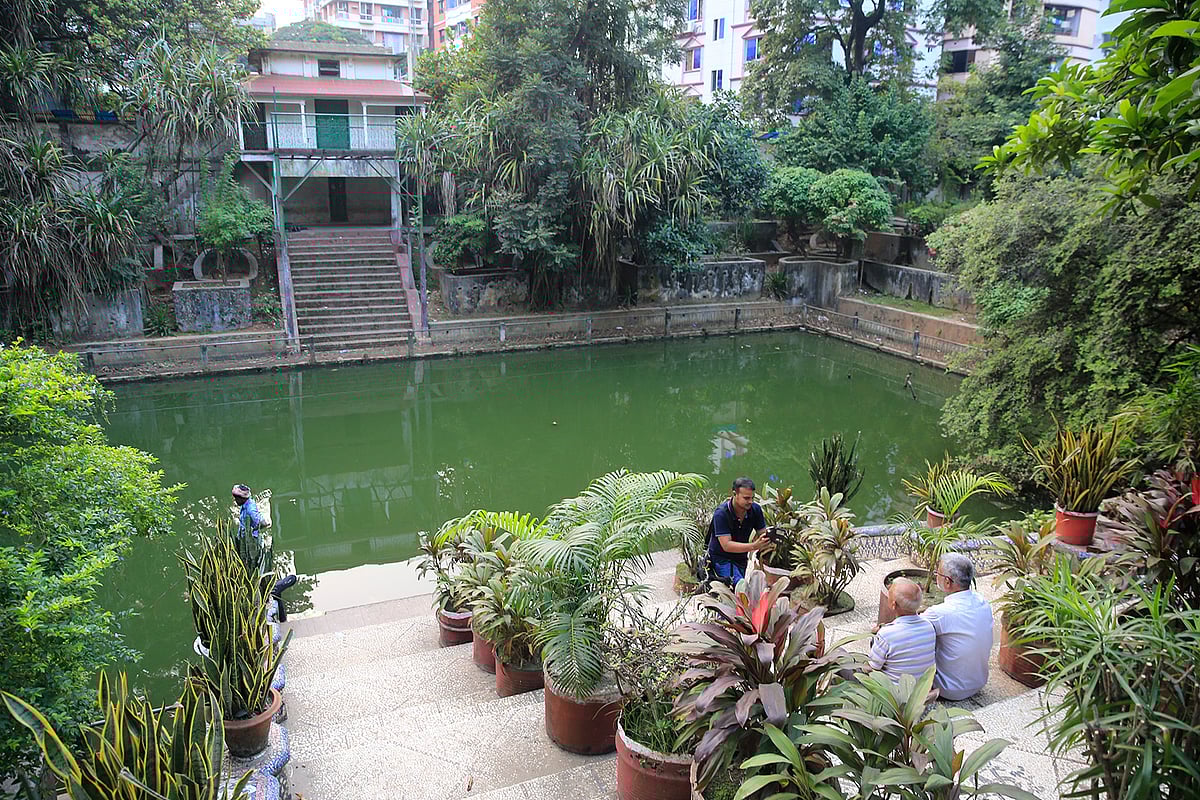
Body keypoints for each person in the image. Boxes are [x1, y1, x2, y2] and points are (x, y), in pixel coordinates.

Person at [921, 553, 993, 701]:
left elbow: (910, 626)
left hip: (949, 689)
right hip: (978, 682)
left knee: (912, 638)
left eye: (938, 573)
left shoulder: (940, 613)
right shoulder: (982, 602)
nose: (936, 576)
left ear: (948, 582)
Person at [869, 579, 937, 683]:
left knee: (841, 656)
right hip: (920, 693)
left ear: (893, 604)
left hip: (893, 695)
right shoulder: (929, 627)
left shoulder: (886, 635)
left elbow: (873, 667)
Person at [708, 477, 772, 585]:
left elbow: (762, 533)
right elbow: (726, 545)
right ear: (735, 494)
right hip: (722, 559)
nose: (750, 501)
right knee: (739, 585)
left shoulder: (755, 510)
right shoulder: (721, 514)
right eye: (746, 498)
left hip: (741, 558)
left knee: (739, 588)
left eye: (752, 498)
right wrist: (754, 546)